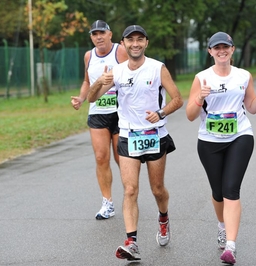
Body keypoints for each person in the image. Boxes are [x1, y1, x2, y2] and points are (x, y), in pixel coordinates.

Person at [87, 25, 183, 261]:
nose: (135, 44)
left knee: (157, 190)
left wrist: (160, 113)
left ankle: (163, 218)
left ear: (146, 43)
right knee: (130, 189)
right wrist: (99, 81)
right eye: (131, 40)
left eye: (140, 40)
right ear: (124, 43)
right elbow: (91, 98)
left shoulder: (157, 68)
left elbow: (178, 99)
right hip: (128, 135)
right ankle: (132, 242)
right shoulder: (117, 72)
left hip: (154, 135)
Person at [185, 31, 256, 265]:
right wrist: (199, 99)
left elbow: (252, 107)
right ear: (210, 51)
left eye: (226, 47)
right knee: (217, 191)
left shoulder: (243, 76)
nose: (221, 51)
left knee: (231, 189)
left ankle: (230, 246)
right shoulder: (201, 77)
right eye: (217, 48)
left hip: (240, 137)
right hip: (209, 141)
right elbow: (191, 116)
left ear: (232, 50)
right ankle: (222, 225)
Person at [70, 20, 128, 220]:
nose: (98, 37)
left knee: (122, 158)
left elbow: (132, 73)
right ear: (91, 37)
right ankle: (107, 203)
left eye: (102, 33)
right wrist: (81, 98)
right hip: (97, 112)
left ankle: (130, 195)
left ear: (110, 34)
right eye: (94, 34)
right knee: (101, 157)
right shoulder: (88, 56)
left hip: (121, 113)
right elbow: (87, 81)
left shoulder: (120, 52)